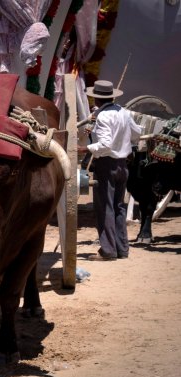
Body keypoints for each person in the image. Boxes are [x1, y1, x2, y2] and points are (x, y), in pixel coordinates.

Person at [77, 80, 141, 261]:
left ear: (96, 99)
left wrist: (85, 149)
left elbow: (105, 145)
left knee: (105, 208)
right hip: (122, 165)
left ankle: (108, 251)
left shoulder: (103, 117)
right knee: (118, 207)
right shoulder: (124, 112)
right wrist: (124, 140)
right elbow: (137, 133)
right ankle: (122, 249)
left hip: (106, 165)